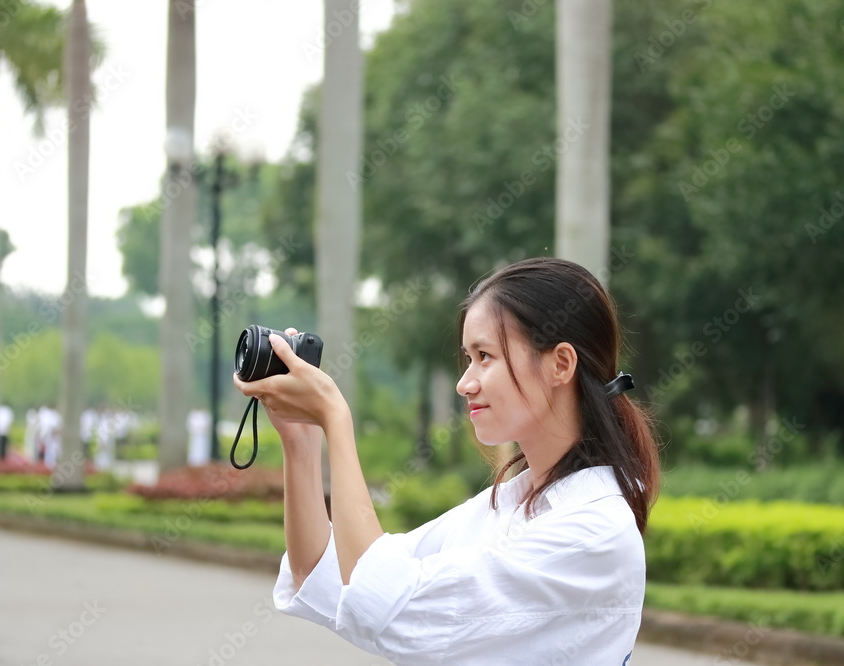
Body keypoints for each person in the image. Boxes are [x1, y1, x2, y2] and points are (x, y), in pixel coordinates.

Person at [232, 257, 661, 664]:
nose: (465, 383)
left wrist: (335, 418)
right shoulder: (507, 504)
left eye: (485, 356)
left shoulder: (593, 531)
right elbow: (324, 573)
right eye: (468, 359)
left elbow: (384, 604)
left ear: (560, 364)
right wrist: (302, 441)